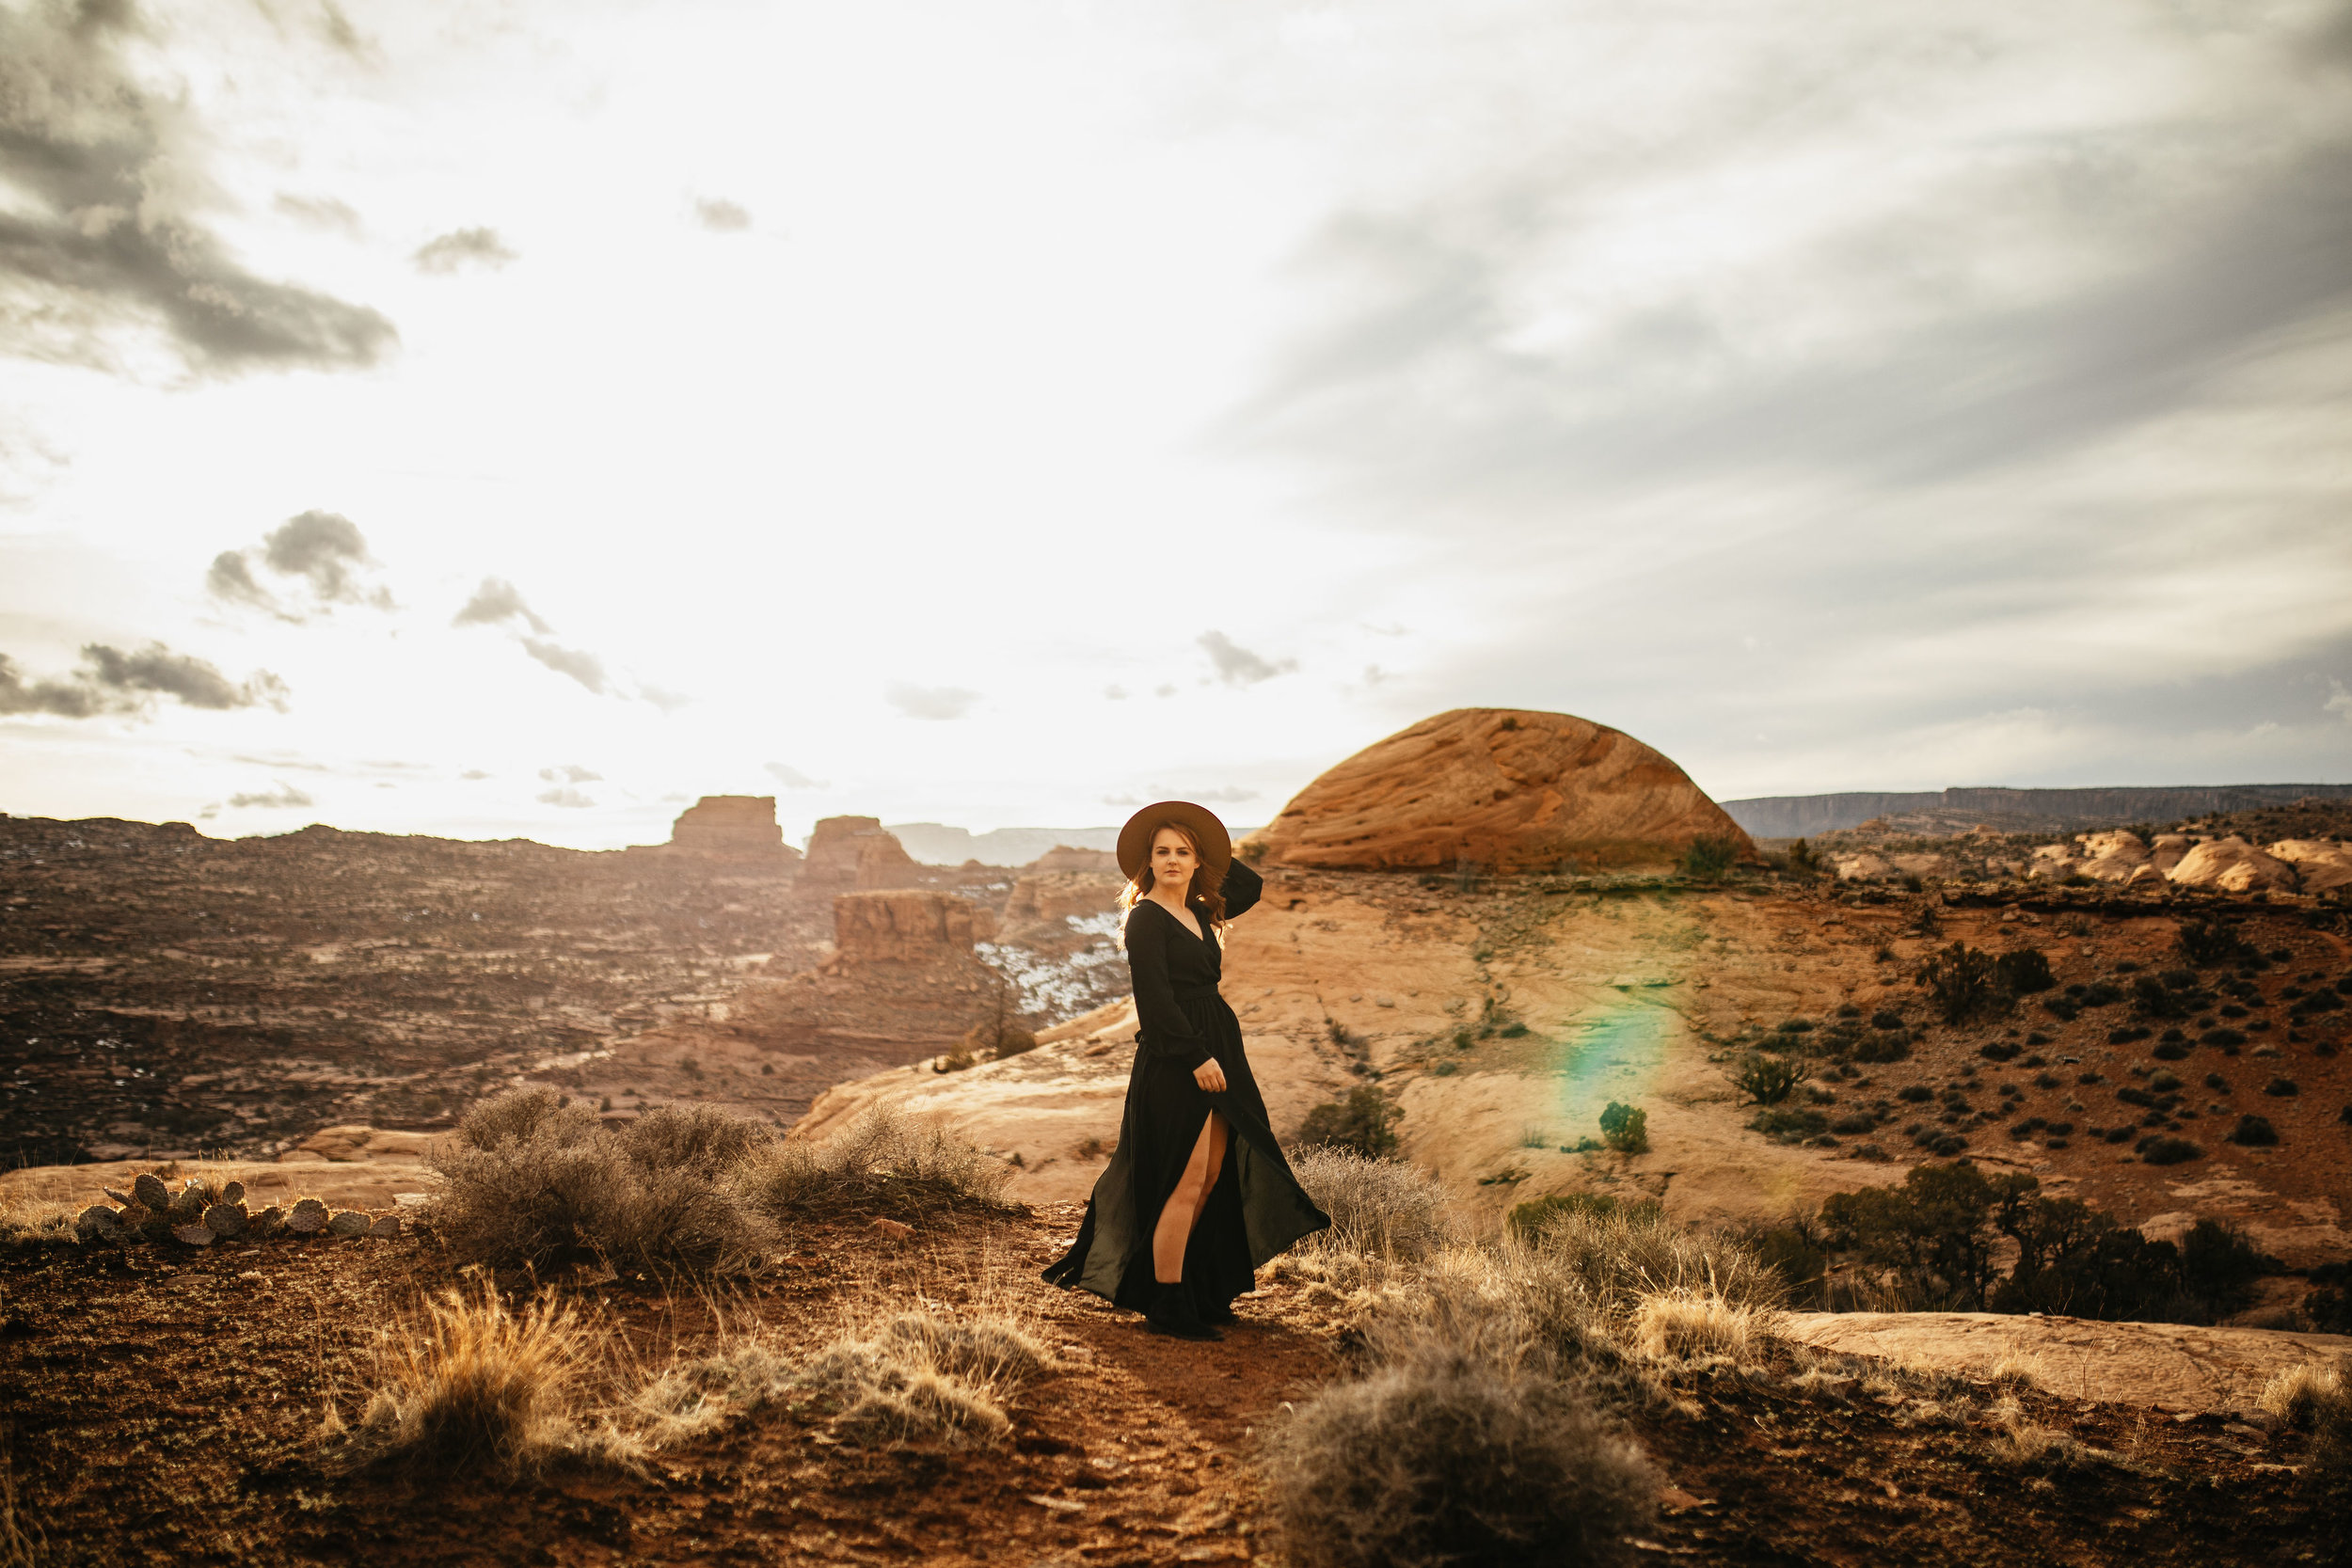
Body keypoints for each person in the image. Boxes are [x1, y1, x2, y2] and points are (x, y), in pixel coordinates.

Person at [1041, 800, 1329, 1339]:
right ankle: (1166, 1303)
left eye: (1183, 852)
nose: (1172, 861)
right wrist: (1197, 1057)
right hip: (1180, 1056)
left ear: (1197, 862)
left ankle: (1194, 1288)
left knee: (1214, 1176)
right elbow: (1154, 1002)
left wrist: (1215, 847)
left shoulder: (1201, 910)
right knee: (1186, 1177)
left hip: (1218, 1042)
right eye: (1162, 852)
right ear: (1146, 863)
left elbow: (1252, 887)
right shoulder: (1146, 919)